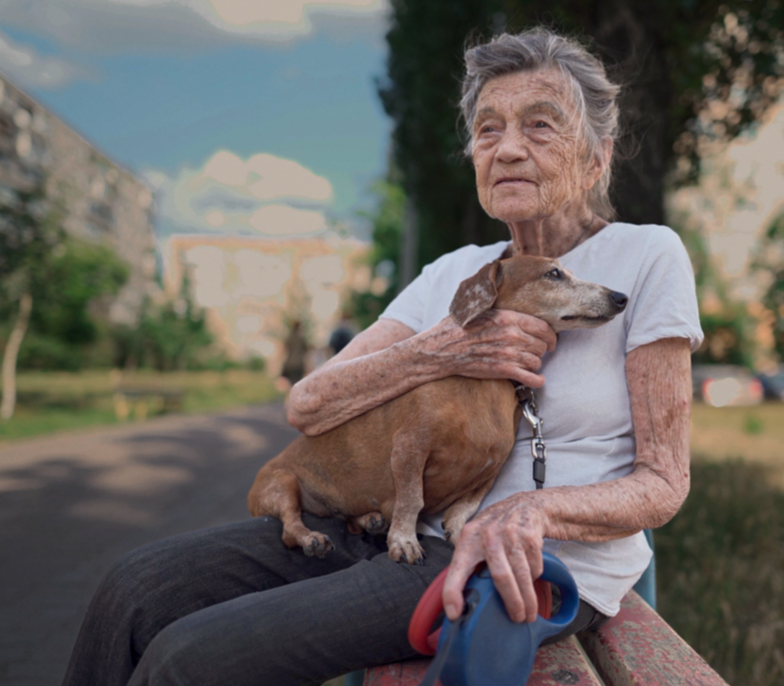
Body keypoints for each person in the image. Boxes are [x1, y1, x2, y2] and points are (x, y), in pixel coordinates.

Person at [61, 27, 702, 686]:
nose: (508, 147)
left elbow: (663, 483)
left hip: (520, 563)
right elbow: (307, 403)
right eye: (488, 130)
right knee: (131, 592)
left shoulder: (645, 257)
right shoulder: (456, 274)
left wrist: (531, 511)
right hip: (387, 525)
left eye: (540, 126)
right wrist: (441, 348)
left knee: (189, 660)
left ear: (597, 156)